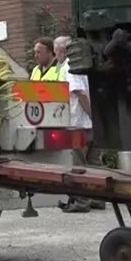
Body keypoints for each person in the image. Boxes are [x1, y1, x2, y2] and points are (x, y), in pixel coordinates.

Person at [55, 36, 105, 213]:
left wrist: (92, 115)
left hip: (78, 122)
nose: (56, 56)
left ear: (62, 51)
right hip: (92, 123)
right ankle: (98, 199)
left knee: (79, 163)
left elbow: (80, 94)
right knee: (94, 163)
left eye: (56, 52)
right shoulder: (87, 63)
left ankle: (81, 201)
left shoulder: (69, 67)